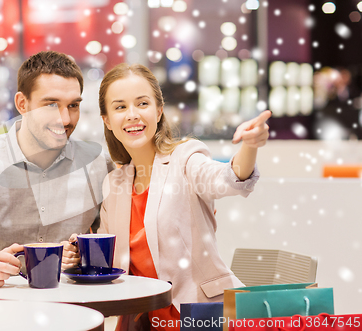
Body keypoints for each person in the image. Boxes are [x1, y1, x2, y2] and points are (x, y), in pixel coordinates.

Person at [65, 63, 270, 330]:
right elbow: (110, 259)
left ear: (159, 111)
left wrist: (250, 146)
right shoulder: (114, 183)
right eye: (120, 107)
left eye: (142, 103)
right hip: (144, 319)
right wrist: (81, 253)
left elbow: (229, 180)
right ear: (106, 120)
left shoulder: (185, 159)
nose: (132, 115)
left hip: (203, 316)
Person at [0, 51, 115, 291]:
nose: (65, 119)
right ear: (22, 104)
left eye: (73, 105)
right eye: (51, 105)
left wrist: (80, 254)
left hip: (72, 307)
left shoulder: (98, 164)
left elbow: (106, 244)